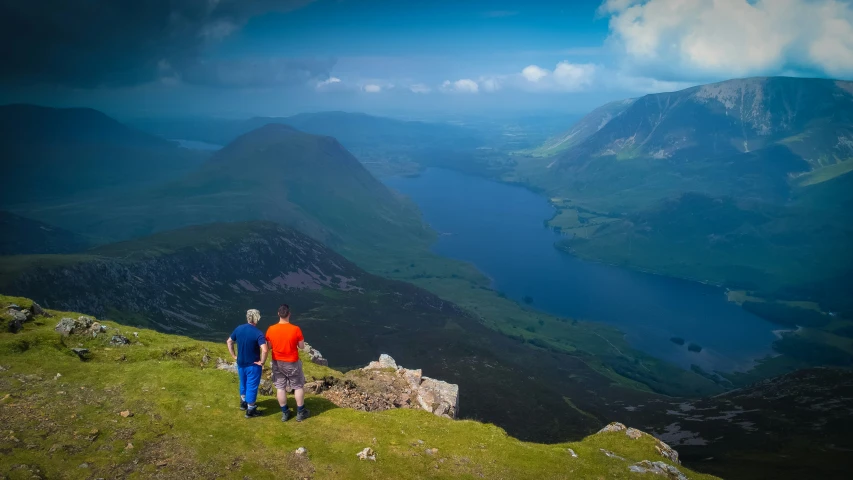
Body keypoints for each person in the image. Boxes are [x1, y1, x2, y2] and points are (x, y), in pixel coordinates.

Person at [265, 304, 310, 422]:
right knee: (298, 386)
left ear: (278, 314)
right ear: (289, 314)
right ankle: (301, 412)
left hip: (277, 361)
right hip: (292, 362)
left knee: (280, 387)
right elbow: (301, 346)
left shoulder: (271, 329)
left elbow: (269, 346)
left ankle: (285, 412)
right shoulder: (296, 329)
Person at [226, 309, 268, 418]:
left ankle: (243, 403)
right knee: (252, 386)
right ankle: (251, 410)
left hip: (240, 363)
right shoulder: (258, 333)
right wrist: (262, 362)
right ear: (256, 318)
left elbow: (229, 341)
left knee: (243, 383)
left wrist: (234, 356)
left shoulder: (239, 329)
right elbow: (264, 349)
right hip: (253, 365)